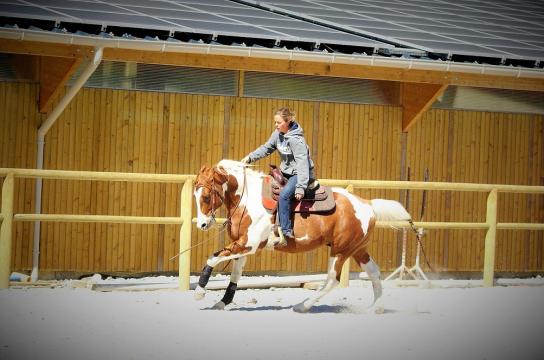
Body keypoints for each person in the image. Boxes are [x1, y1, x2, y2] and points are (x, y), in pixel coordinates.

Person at [241, 107, 315, 245]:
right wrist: (250, 157)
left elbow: (302, 164)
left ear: (287, 122)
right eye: (275, 122)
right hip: (285, 171)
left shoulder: (296, 140)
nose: (276, 125)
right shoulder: (277, 134)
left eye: (278, 122)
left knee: (285, 195)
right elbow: (266, 148)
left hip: (299, 173)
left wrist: (300, 187)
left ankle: (286, 231)